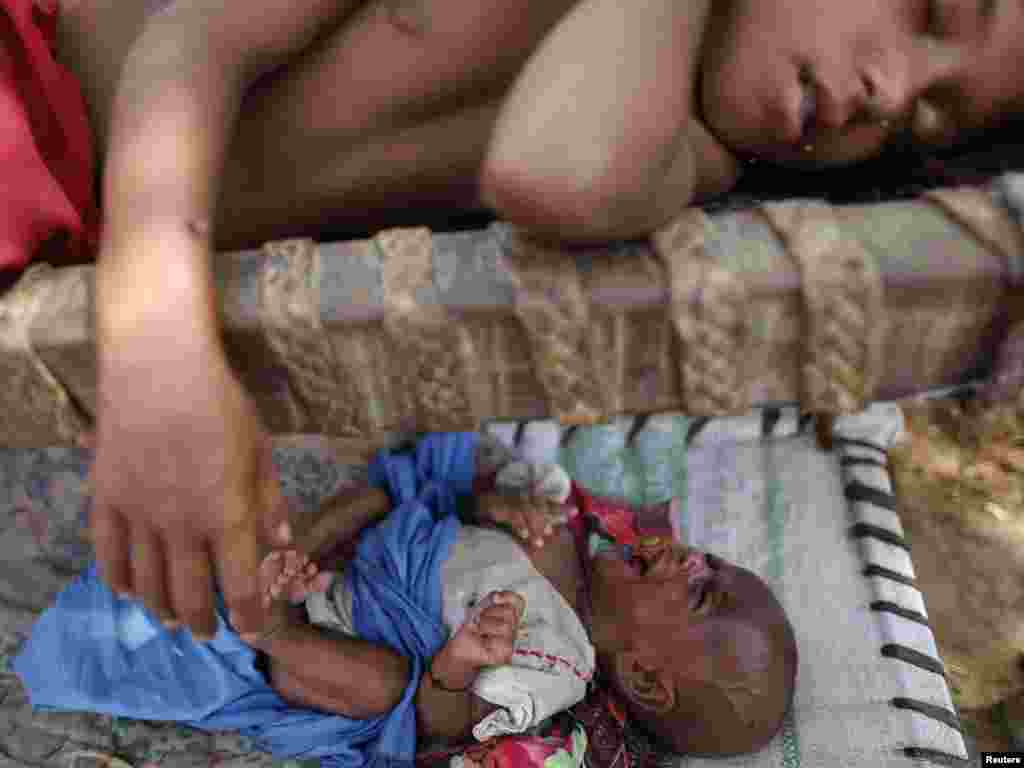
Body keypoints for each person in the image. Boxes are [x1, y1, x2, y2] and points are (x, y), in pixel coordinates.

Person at [46, 0, 1024, 643]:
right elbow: (192, 40)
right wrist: (154, 347)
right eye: (925, 7)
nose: (890, 90)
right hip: (40, 84)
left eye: (924, 122)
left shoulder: (687, 145)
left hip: (71, 226)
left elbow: (552, 173)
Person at [14, 433, 798, 763]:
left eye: (699, 595)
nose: (687, 559)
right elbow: (464, 502)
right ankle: (292, 557)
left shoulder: (559, 666)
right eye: (709, 561)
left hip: (363, 639)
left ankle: (269, 624)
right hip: (383, 556)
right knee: (391, 495)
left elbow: (439, 720)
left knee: (383, 691)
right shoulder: (563, 530)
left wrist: (457, 662)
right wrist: (493, 504)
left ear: (646, 678)